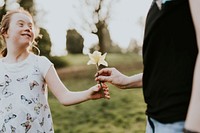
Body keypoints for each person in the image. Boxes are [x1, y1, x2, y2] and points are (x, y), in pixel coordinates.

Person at [96, 0, 200, 132]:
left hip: (182, 122)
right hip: (154, 121)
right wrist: (127, 81)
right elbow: (169, 69)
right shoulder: (155, 5)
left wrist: (193, 127)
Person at [0, 8, 110, 133]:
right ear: (5, 32)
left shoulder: (40, 63)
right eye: (21, 24)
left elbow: (64, 96)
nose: (28, 28)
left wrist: (89, 94)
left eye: (30, 26)